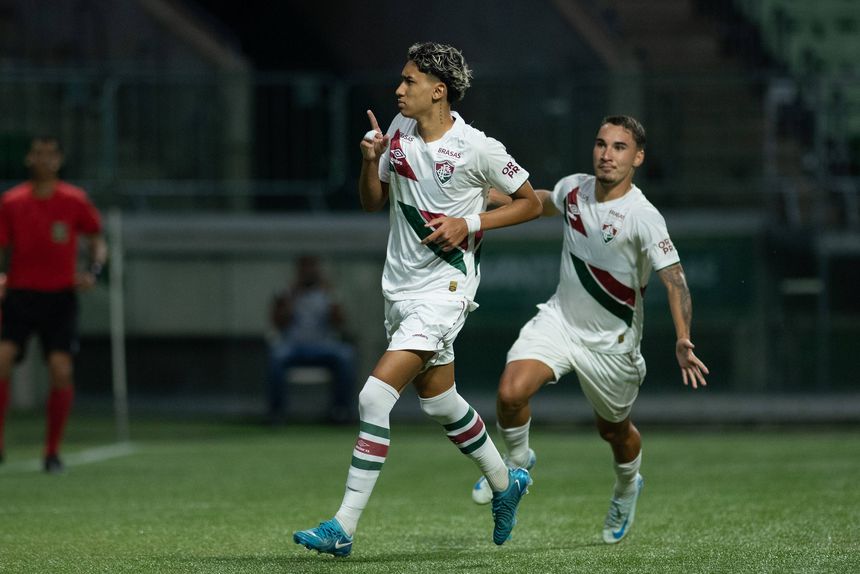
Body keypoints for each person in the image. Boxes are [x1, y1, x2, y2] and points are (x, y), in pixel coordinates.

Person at [293, 42, 543, 556]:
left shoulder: (478, 147)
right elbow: (371, 203)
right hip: (400, 288)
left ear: (438, 90)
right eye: (400, 81)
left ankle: (343, 526)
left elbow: (531, 203)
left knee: (373, 396)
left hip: (446, 290)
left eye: (409, 82)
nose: (398, 89)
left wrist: (468, 222)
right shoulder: (398, 131)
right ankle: (506, 483)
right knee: (439, 401)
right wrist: (370, 160)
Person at [469, 115, 709, 544]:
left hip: (611, 346)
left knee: (613, 431)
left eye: (619, 147)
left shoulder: (643, 216)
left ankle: (626, 485)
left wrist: (682, 337)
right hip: (560, 321)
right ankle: (518, 463)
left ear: (637, 157)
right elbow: (544, 200)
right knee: (510, 392)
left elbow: (674, 278)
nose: (606, 154)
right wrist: (489, 194)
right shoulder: (575, 188)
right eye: (601, 144)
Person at [0, 135, 106, 474]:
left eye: (50, 154)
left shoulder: (74, 200)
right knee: (1, 360)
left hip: (60, 297)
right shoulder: (12, 201)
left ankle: (52, 452)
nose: (44, 159)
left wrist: (93, 271)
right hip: (20, 295)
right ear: (29, 158)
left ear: (59, 160)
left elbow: (96, 240)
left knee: (61, 369)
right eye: (38, 153)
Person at [266, 254, 355, 423]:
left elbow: (340, 323)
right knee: (276, 356)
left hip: (322, 346)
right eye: (304, 268)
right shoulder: (285, 293)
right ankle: (276, 413)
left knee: (345, 355)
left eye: (312, 267)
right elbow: (278, 323)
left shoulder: (327, 293)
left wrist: (331, 296)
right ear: (298, 271)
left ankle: (340, 411)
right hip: (294, 347)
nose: (308, 272)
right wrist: (292, 297)